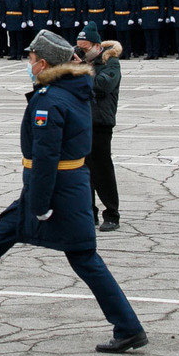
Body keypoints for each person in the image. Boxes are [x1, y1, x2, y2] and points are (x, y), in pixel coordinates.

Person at [0, 29, 146, 353]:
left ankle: (129, 328)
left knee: (84, 258)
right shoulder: (69, 87)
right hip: (64, 185)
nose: (28, 63)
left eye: (30, 58)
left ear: (42, 63)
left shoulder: (51, 99)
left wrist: (40, 204)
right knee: (5, 230)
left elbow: (45, 158)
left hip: (58, 190)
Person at [77, 35, 125, 231]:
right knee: (83, 169)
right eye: (79, 48)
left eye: (85, 48)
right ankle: (89, 213)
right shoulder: (81, 62)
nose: (82, 51)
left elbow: (103, 84)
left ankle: (112, 214)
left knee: (102, 169)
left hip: (101, 122)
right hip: (81, 121)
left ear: (97, 46)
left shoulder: (110, 62)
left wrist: (81, 68)